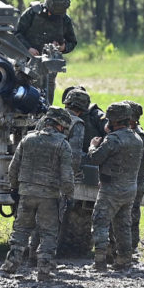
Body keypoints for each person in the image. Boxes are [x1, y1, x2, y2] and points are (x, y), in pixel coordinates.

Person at [0, 107, 74, 280]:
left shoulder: (27, 139)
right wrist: (68, 196)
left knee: (21, 230)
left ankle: (10, 266)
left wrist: (14, 188)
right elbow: (67, 177)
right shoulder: (63, 145)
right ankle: (44, 270)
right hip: (49, 196)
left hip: (26, 193)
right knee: (48, 232)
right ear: (61, 126)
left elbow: (13, 168)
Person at [84, 102, 143, 272]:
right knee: (123, 225)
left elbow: (95, 158)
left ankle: (100, 261)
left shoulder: (113, 140)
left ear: (114, 121)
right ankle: (124, 260)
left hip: (111, 188)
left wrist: (93, 145)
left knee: (100, 222)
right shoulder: (137, 139)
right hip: (130, 188)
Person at [28, 101, 84, 264]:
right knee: (52, 222)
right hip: (55, 181)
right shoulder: (77, 124)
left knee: (35, 219)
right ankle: (45, 260)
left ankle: (31, 254)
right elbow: (74, 156)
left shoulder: (43, 120)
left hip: (34, 177)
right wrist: (70, 183)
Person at [14, 0, 77, 103]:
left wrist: (62, 48)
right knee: (22, 94)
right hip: (27, 62)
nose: (52, 16)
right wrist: (29, 48)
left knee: (46, 98)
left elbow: (72, 42)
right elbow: (17, 33)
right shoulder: (32, 13)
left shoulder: (64, 20)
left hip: (50, 67)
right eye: (50, 13)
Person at [123, 100, 144, 256]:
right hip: (132, 183)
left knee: (130, 218)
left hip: (134, 183)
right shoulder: (133, 134)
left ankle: (130, 249)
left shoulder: (138, 138)